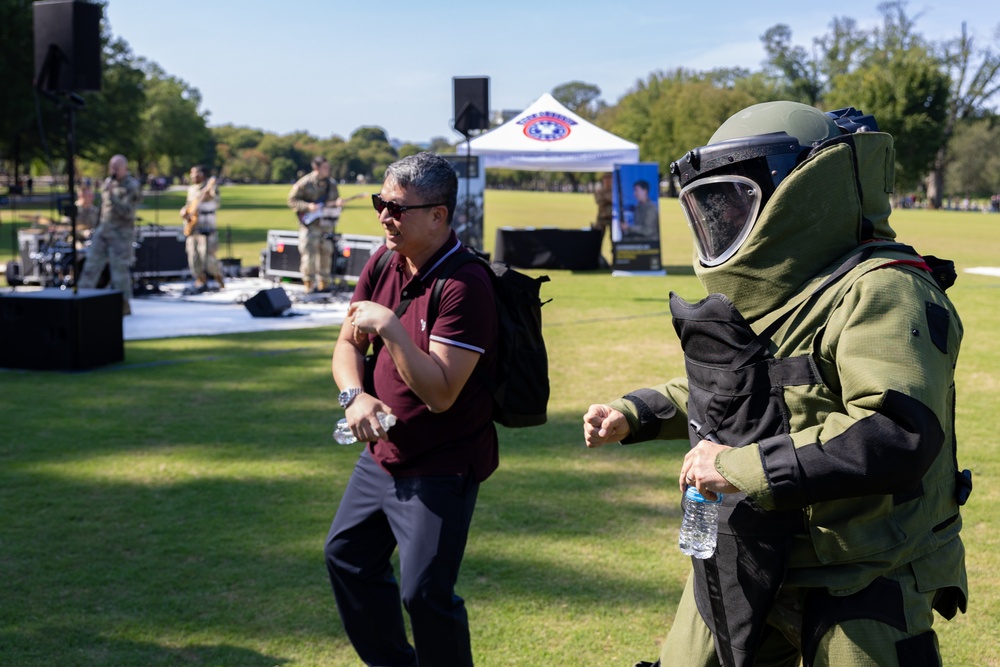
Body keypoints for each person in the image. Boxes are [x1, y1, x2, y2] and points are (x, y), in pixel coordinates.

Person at [583, 101, 968, 667]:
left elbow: (894, 434)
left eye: (737, 202)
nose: (723, 220)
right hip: (746, 551)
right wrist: (634, 412)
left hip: (857, 568)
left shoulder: (883, 292)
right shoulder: (780, 290)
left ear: (805, 191)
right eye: (712, 206)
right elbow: (738, 393)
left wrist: (737, 467)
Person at [325, 151, 498, 667]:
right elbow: (345, 347)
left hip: (442, 464)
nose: (383, 217)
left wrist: (391, 327)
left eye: (396, 209)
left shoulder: (467, 285)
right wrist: (354, 395)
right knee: (347, 557)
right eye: (381, 203)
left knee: (424, 595)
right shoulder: (382, 261)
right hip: (382, 454)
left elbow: (441, 393)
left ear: (438, 216)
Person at [78, 154, 143, 315]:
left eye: (116, 168)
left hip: (121, 233)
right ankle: (80, 302)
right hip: (103, 231)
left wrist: (112, 195)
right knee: (90, 266)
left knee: (119, 271)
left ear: (124, 168)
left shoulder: (131, 186)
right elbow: (103, 209)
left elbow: (128, 212)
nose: (113, 171)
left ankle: (123, 307)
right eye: (111, 167)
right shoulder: (108, 182)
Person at [287, 156, 343, 293]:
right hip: (310, 226)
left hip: (326, 225)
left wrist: (339, 204)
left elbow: (334, 202)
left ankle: (324, 284)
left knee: (326, 254)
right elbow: (292, 200)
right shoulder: (305, 182)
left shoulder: (331, 184)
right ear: (316, 168)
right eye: (325, 167)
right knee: (309, 255)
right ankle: (308, 284)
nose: (328, 170)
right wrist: (308, 207)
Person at [180, 165, 224, 293]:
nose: (191, 176)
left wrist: (209, 195)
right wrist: (184, 211)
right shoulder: (192, 189)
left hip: (207, 228)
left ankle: (218, 276)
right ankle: (200, 279)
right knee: (193, 257)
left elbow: (217, 202)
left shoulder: (210, 186)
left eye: (194, 173)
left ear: (202, 174)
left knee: (208, 257)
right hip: (193, 228)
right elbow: (189, 205)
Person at [593, 171, 614, 237]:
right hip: (601, 217)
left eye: (609, 178)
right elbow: (599, 201)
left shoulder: (615, 191)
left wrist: (606, 199)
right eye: (605, 178)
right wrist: (610, 200)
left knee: (614, 238)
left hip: (612, 218)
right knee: (598, 237)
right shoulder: (599, 191)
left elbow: (614, 201)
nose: (607, 180)